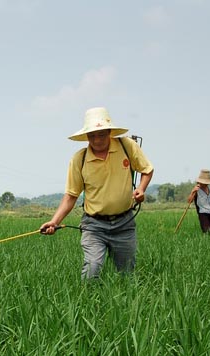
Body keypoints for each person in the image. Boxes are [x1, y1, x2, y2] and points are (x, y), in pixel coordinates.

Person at [40, 107, 154, 279]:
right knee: (92, 268)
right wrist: (54, 222)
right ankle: (87, 302)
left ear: (109, 132)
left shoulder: (127, 146)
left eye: (101, 134)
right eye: (92, 135)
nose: (97, 140)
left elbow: (147, 170)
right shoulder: (80, 159)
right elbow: (71, 196)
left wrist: (141, 189)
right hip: (94, 225)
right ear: (86, 136)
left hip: (124, 222)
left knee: (126, 274)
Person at [187, 169, 210, 233]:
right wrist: (192, 192)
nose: (206, 183)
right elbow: (189, 201)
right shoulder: (197, 189)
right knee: (207, 232)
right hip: (203, 214)